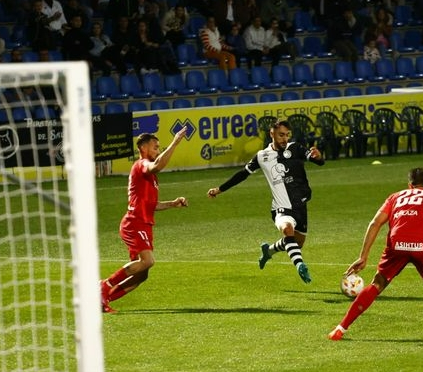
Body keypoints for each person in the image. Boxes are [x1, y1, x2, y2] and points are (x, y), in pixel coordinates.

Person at [327, 167, 423, 341]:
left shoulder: (395, 196)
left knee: (378, 283)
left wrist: (363, 256)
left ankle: (340, 329)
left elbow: (375, 223)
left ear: (409, 185)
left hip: (396, 243)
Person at [207, 120, 324, 284]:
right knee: (287, 229)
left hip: (300, 206)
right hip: (281, 208)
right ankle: (300, 265)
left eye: (287, 135)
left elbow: (317, 160)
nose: (284, 139)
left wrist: (318, 156)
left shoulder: (295, 148)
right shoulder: (263, 156)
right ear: (272, 134)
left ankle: (268, 251)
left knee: (297, 243)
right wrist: (220, 189)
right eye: (281, 135)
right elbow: (242, 174)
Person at [100, 129, 189, 313]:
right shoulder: (141, 165)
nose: (157, 149)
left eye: (159, 147)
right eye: (155, 146)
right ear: (143, 147)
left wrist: (172, 204)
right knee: (147, 261)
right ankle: (103, 286)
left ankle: (103, 299)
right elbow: (156, 165)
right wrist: (174, 143)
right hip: (134, 222)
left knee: (141, 275)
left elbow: (152, 205)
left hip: (143, 223)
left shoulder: (151, 178)